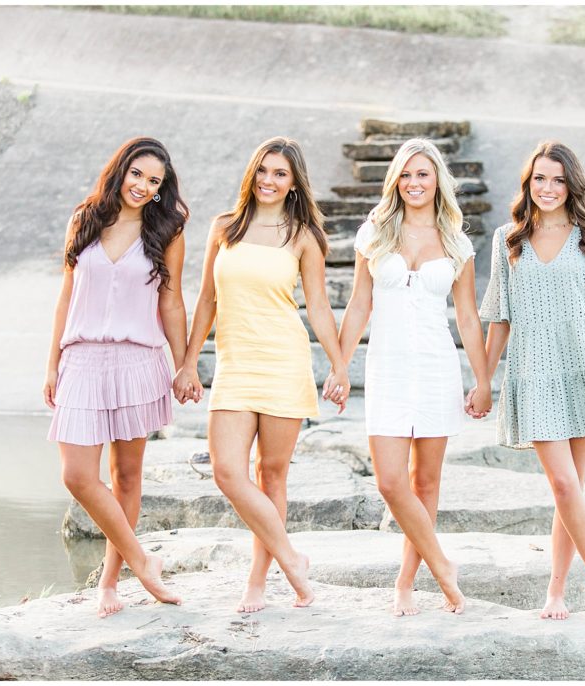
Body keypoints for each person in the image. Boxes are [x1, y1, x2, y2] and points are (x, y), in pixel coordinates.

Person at [173, 136, 349, 612]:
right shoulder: (224, 228)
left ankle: (258, 580)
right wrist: (189, 362)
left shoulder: (303, 237)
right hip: (234, 362)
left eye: (281, 174)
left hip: (283, 359)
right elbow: (207, 299)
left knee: (271, 476)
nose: (270, 181)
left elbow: (317, 306)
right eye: (264, 171)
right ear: (252, 173)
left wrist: (338, 365)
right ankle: (292, 557)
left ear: (293, 185)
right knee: (229, 472)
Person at [473, 140, 585, 624]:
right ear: (528, 183)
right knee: (563, 484)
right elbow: (498, 319)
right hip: (534, 373)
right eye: (540, 178)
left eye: (558, 180)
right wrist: (482, 380)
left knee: (574, 490)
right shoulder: (510, 240)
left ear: (572, 185)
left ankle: (557, 590)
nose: (548, 188)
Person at [336, 138, 492, 616]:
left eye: (422, 174)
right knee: (389, 481)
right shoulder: (376, 232)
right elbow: (360, 303)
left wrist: (482, 380)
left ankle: (405, 584)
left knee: (425, 483)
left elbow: (467, 317)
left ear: (437, 180)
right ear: (395, 181)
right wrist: (341, 365)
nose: (413, 183)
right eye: (405, 175)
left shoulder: (455, 240)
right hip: (387, 366)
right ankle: (444, 565)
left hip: (435, 366)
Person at [44, 137, 190, 617]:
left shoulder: (167, 230)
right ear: (120, 170)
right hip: (82, 360)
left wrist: (184, 362)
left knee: (125, 475)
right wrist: (52, 363)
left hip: (137, 362)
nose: (144, 187)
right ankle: (143, 560)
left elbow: (171, 301)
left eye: (154, 181)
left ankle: (109, 584)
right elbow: (66, 296)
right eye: (137, 174)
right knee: (77, 475)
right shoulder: (84, 219)